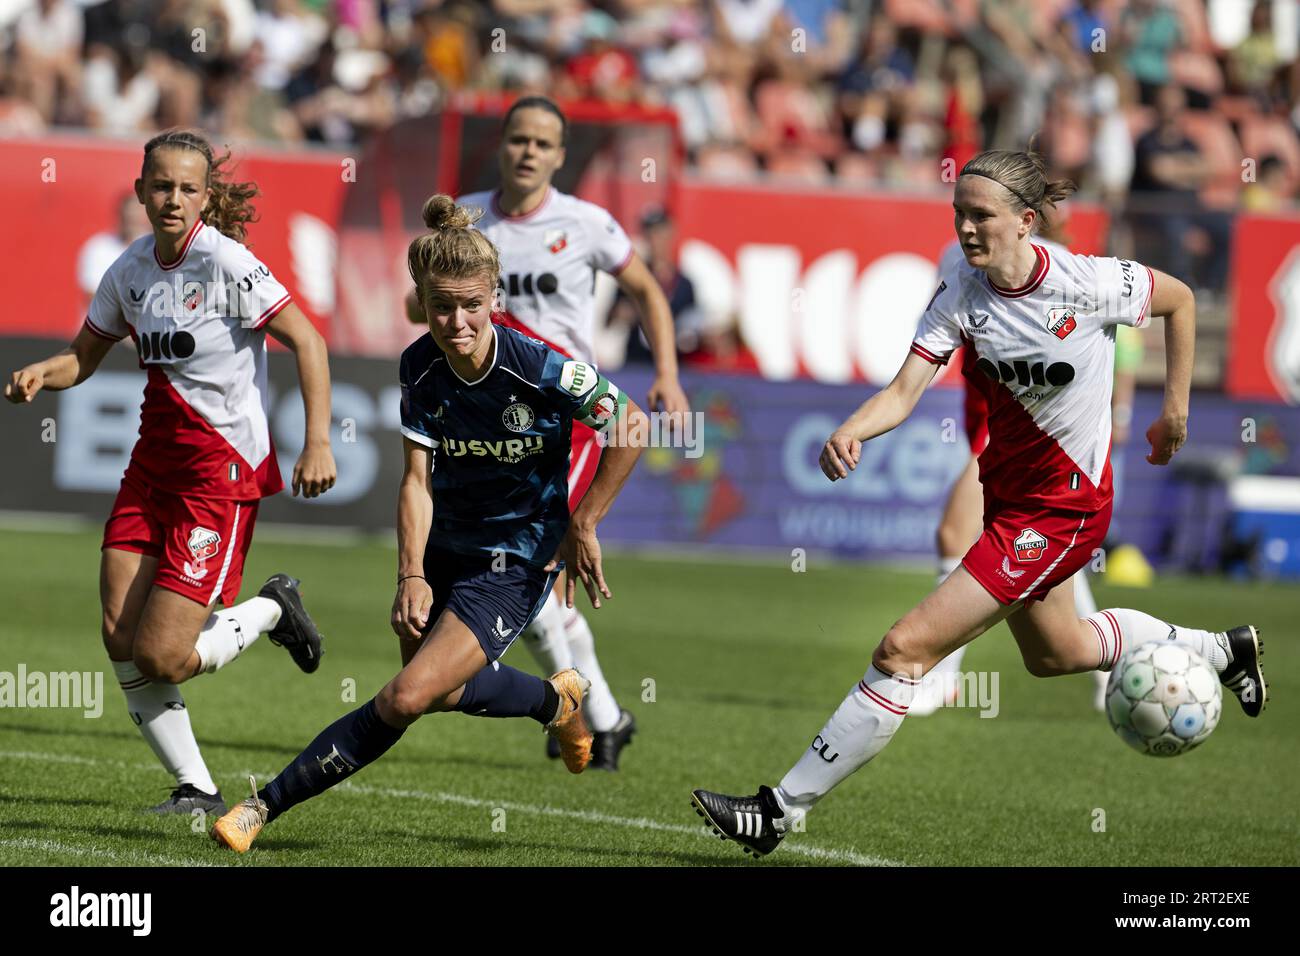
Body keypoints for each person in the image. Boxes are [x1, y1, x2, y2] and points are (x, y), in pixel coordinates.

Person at [690, 149, 1267, 857]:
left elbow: (1177, 299)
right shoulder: (960, 291)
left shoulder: (1087, 282)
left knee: (903, 649)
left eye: (981, 216)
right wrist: (852, 427)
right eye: (958, 214)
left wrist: (1172, 409)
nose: (966, 229)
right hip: (1011, 503)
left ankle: (777, 810)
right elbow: (905, 390)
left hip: (1064, 512)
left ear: (1026, 223)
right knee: (1059, 654)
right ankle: (1221, 649)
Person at [210, 195, 648, 852]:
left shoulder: (539, 366)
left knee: (406, 697)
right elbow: (415, 481)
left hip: (514, 558)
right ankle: (556, 702)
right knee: (442, 692)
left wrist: (584, 522)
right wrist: (410, 574)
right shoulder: (419, 366)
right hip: (443, 548)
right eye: (442, 306)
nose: (458, 321)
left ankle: (260, 807)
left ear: (493, 297)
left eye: (471, 305)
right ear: (421, 299)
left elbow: (633, 425)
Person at [4, 128, 337, 815]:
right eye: (162, 186)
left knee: (162, 654)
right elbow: (82, 357)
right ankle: (197, 787)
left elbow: (307, 338)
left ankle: (274, 606)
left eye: (189, 188)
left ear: (207, 197)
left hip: (219, 479)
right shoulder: (128, 269)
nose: (173, 199)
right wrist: (46, 372)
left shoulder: (227, 263)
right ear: (140, 191)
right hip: (148, 471)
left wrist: (317, 443)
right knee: (118, 637)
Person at [405, 95, 690, 770]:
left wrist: (668, 374)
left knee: (527, 569)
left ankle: (584, 712)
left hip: (560, 416)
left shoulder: (586, 223)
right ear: (501, 146)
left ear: (560, 156)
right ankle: (599, 714)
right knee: (532, 580)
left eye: (543, 143)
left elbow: (648, 290)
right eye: (518, 139)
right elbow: (421, 301)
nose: (529, 151)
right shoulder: (468, 218)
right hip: (482, 412)